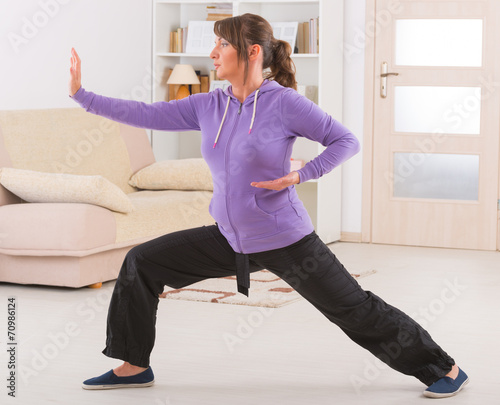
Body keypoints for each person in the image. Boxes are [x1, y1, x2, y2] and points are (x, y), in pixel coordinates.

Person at [69, 13, 468, 399]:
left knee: (353, 309)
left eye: (223, 43)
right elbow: (145, 113)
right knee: (142, 263)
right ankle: (134, 365)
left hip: (285, 239)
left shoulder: (284, 103)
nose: (213, 52)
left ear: (252, 52)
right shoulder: (208, 105)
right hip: (229, 237)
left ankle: (443, 368)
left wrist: (300, 175)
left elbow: (345, 141)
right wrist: (81, 95)